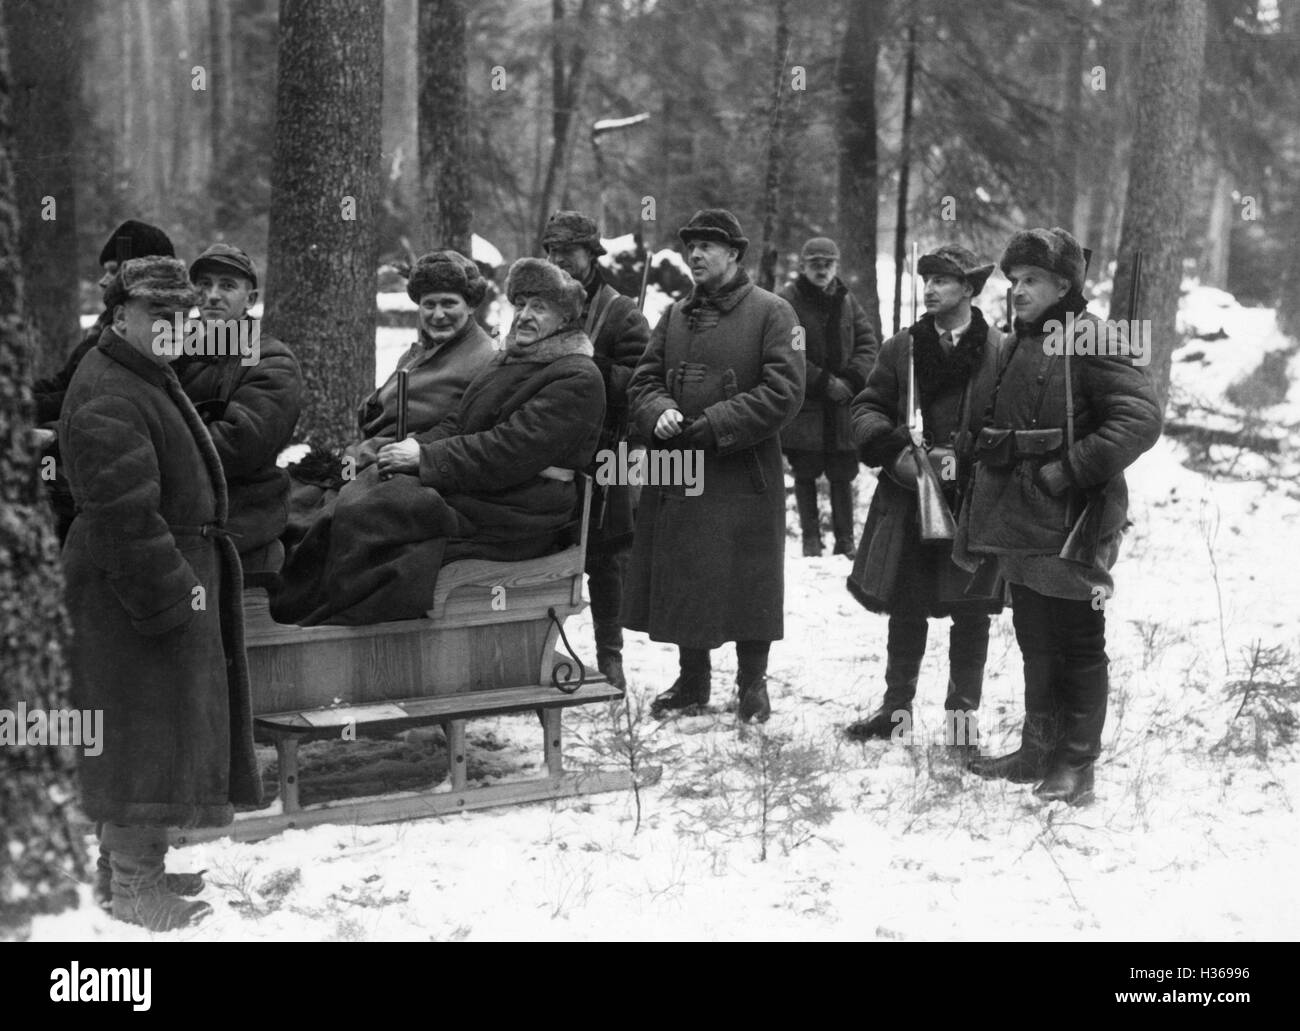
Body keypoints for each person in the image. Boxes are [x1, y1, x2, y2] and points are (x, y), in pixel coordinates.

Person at [61, 257, 261, 930]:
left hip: (145, 579)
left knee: (139, 731)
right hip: (134, 590)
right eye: (158, 316)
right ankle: (135, 886)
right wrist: (174, 597)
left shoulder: (138, 370)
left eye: (182, 317)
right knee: (142, 735)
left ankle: (120, 868)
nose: (174, 327)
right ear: (120, 317)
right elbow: (123, 514)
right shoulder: (114, 387)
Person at [271, 259, 605, 627]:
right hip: (486, 489)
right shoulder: (514, 360)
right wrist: (410, 449)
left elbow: (507, 451)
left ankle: (330, 615)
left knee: (373, 509)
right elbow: (458, 422)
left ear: (564, 320)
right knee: (366, 490)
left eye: (539, 308)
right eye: (521, 305)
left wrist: (425, 457)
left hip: (520, 507)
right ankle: (301, 602)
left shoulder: (576, 377)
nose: (524, 316)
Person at [961, 227, 1162, 803]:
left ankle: (1076, 765)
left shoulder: (1092, 337)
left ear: (1063, 285)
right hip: (1019, 517)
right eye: (1014, 281)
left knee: (1077, 639)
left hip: (1073, 516)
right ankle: (1036, 750)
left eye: (1032, 281)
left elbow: (1139, 420)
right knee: (1034, 636)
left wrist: (1071, 468)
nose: (1017, 292)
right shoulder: (1020, 340)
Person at [622, 209, 805, 723]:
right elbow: (644, 379)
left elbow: (785, 391)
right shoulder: (676, 315)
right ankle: (692, 681)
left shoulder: (775, 313)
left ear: (734, 254)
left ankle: (753, 684)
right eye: (690, 247)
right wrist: (659, 413)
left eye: (708, 246)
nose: (696, 256)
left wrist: (715, 423)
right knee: (686, 574)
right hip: (682, 472)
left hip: (743, 472)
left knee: (750, 578)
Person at [845, 245, 1003, 749]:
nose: (930, 288)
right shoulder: (901, 348)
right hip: (911, 497)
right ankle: (895, 713)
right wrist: (895, 453)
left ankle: (961, 725)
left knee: (971, 613)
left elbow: (1013, 420)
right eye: (926, 279)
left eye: (943, 280)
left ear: (969, 290)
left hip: (974, 501)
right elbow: (866, 407)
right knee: (907, 605)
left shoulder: (1000, 350)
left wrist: (975, 457)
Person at [283, 250, 496, 545]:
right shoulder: (419, 353)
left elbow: (459, 431)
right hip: (367, 460)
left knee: (319, 521)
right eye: (428, 304)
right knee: (288, 496)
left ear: (471, 305)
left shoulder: (485, 359)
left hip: (410, 473)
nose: (437, 314)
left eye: (449, 303)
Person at [542, 210, 651, 689]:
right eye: (551, 250)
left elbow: (644, 381)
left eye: (568, 251)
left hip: (606, 454)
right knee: (544, 554)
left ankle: (611, 658)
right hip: (547, 451)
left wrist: (590, 368)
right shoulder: (539, 304)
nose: (558, 259)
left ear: (591, 254)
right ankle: (542, 653)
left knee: (605, 561)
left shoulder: (621, 311)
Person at [33, 219, 175, 544]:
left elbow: (81, 401)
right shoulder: (107, 328)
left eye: (113, 271)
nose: (101, 281)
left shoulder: (156, 338)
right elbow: (61, 385)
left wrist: (35, 425)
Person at [177, 243, 303, 583]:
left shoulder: (271, 360)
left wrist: (151, 443)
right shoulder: (175, 347)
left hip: (237, 520)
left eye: (227, 286)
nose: (212, 296)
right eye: (203, 285)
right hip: (176, 509)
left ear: (250, 299)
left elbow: (238, 445)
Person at [778, 236, 879, 557]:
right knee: (805, 471)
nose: (822, 271)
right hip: (806, 403)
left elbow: (867, 343)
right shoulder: (789, 302)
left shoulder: (846, 300)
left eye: (828, 264)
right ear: (803, 267)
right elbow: (788, 352)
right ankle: (811, 541)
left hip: (841, 406)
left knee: (842, 472)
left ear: (836, 266)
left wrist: (850, 379)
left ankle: (845, 541)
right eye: (815, 264)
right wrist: (823, 382)